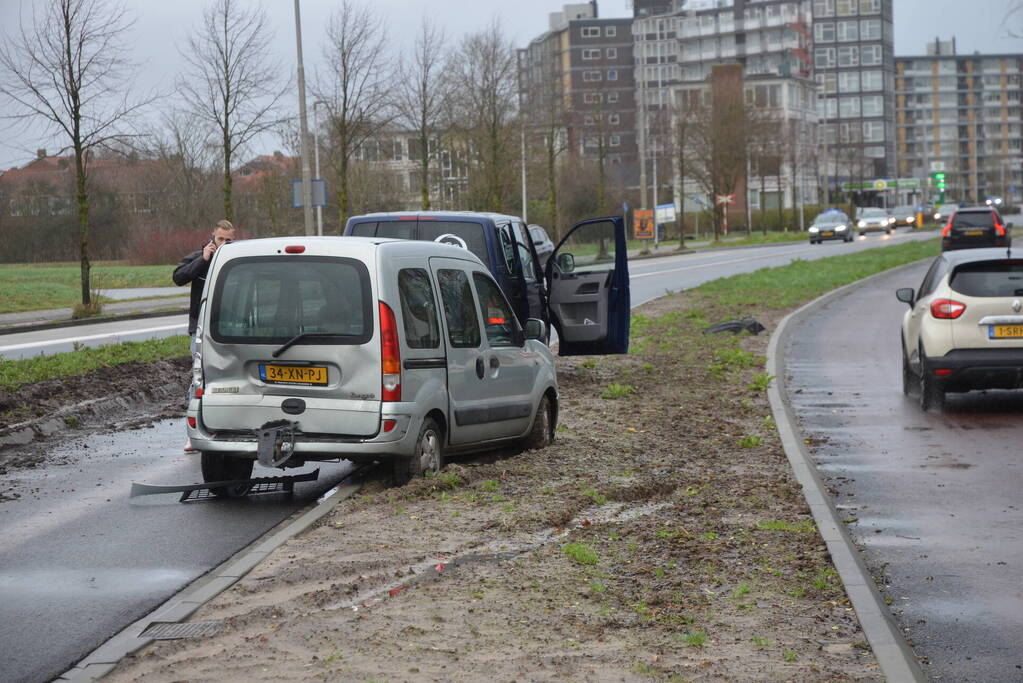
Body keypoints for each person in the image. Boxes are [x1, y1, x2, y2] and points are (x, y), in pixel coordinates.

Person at [174, 220, 237, 452]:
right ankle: (194, 433)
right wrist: (203, 260)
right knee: (199, 378)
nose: (223, 244)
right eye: (220, 239)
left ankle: (228, 426)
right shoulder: (199, 257)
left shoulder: (237, 260)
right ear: (212, 237)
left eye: (228, 240)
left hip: (230, 329)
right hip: (200, 328)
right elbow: (178, 277)